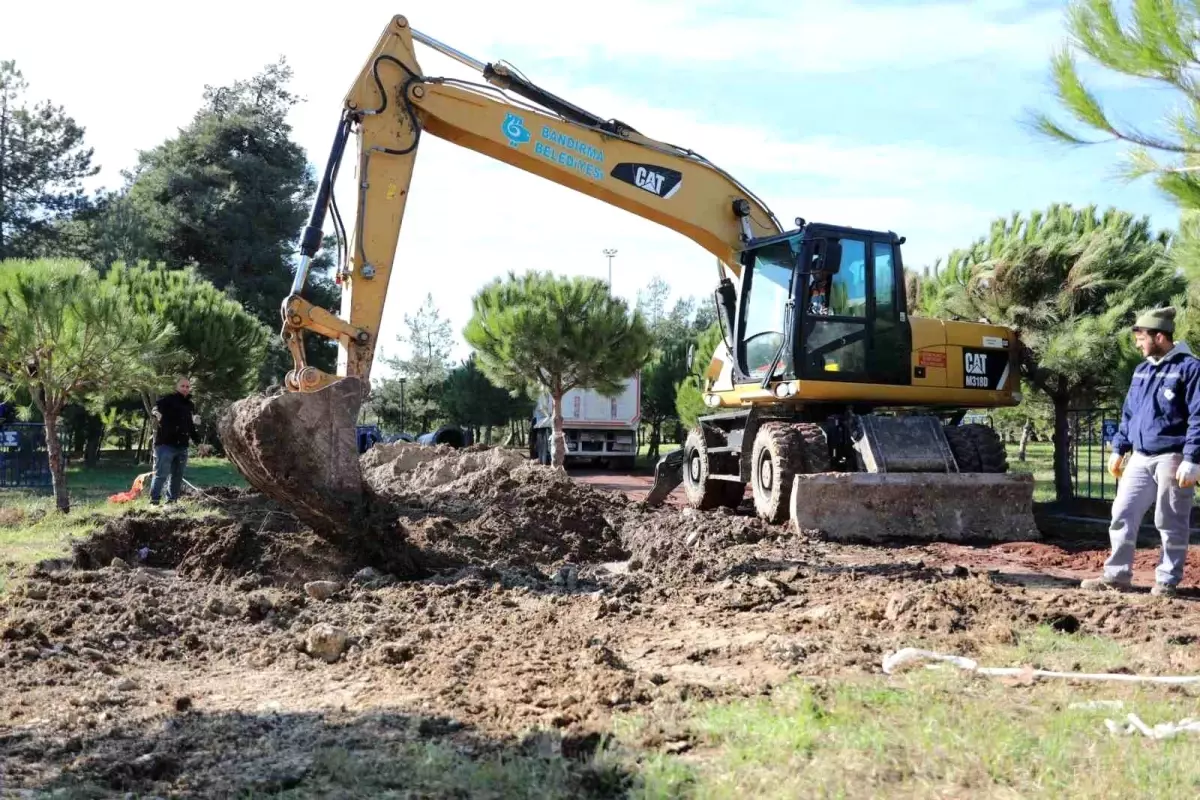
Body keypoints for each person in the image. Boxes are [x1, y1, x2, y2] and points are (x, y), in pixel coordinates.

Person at [1081, 307, 1200, 597]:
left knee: (1169, 519)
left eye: (1141, 337)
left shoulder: (1190, 368)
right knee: (1122, 512)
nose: (1137, 344)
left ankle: (1167, 580)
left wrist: (1193, 458)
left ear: (1159, 336)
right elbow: (1129, 413)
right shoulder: (1143, 370)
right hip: (1140, 456)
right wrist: (1119, 448)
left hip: (1172, 456)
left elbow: (1199, 415)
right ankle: (1116, 575)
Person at [149, 376, 202, 505]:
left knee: (177, 476)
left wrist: (198, 443)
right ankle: (154, 501)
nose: (185, 389)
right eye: (182, 386)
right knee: (161, 474)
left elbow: (190, 427)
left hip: (182, 446)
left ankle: (172, 502)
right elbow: (155, 409)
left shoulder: (190, 405)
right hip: (166, 445)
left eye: (187, 387)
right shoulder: (167, 399)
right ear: (176, 387)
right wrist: (157, 414)